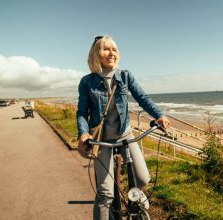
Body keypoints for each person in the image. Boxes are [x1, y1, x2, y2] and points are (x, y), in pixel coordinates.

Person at [76, 35, 170, 219]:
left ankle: (136, 195)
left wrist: (159, 115)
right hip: (102, 141)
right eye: (106, 49)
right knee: (106, 194)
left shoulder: (126, 76)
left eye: (114, 49)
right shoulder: (87, 82)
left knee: (143, 179)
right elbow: (81, 112)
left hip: (126, 136)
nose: (111, 53)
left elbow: (143, 98)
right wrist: (84, 134)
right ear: (96, 53)